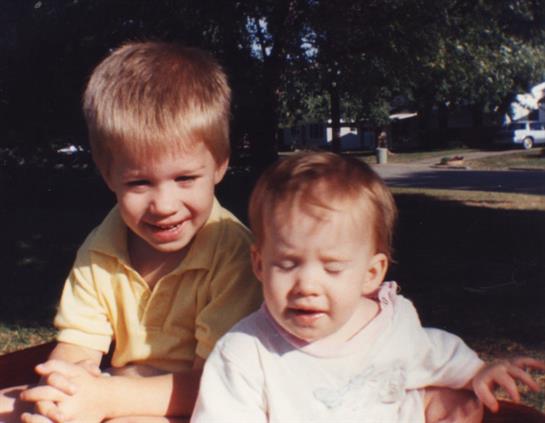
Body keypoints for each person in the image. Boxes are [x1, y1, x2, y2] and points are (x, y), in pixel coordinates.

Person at [0, 41, 262, 422]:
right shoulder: (103, 247)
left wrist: (105, 399)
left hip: (200, 403)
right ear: (109, 175)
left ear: (220, 165)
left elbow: (215, 384)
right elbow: (77, 347)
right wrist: (61, 393)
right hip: (116, 387)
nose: (164, 204)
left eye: (185, 178)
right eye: (140, 183)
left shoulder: (234, 254)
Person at [191, 152, 545, 423]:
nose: (307, 285)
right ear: (259, 264)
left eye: (332, 267)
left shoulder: (392, 325)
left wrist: (478, 371)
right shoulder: (245, 353)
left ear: (371, 274)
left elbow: (435, 352)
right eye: (287, 264)